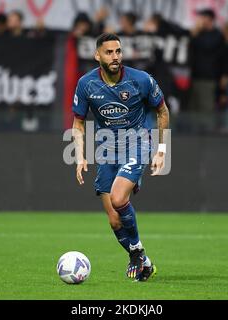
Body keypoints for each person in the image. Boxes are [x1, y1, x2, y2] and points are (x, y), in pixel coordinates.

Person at [71, 33, 170, 281]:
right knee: (115, 221)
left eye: (118, 51)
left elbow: (162, 111)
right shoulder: (86, 84)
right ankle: (144, 262)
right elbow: (78, 123)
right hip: (106, 150)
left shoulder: (141, 80)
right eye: (109, 52)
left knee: (118, 198)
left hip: (137, 143)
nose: (115, 57)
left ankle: (135, 250)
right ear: (97, 56)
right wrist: (80, 156)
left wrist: (161, 150)